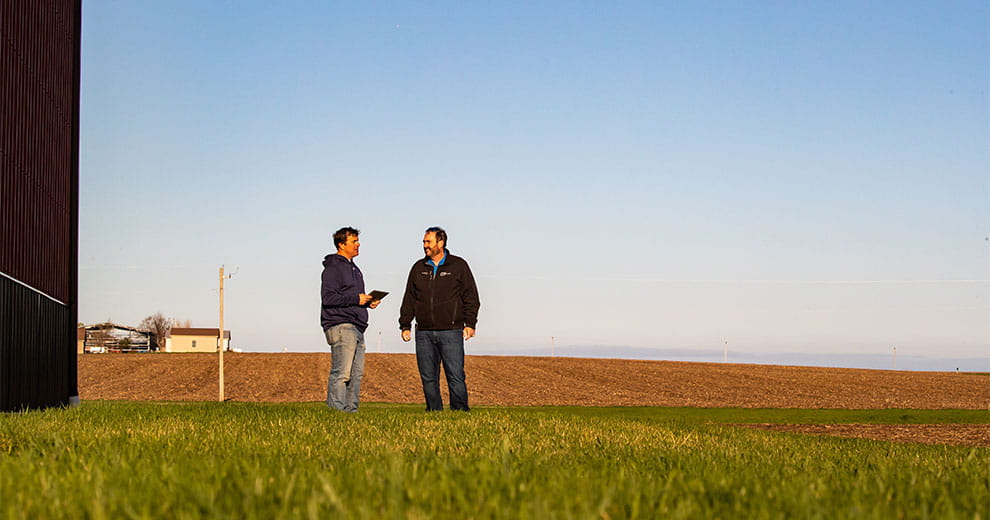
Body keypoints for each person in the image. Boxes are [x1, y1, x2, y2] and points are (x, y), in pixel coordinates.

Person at [399, 226, 480, 411]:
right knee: (428, 378)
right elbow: (409, 298)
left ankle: (459, 412)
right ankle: (434, 411)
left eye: (428, 242)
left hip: (451, 331)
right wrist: (405, 324)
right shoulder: (418, 268)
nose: (425, 246)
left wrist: (470, 323)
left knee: (455, 375)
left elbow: (471, 297)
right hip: (424, 332)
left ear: (440, 243)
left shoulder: (458, 265)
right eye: (424, 242)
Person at [320, 227, 381, 412]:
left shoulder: (355, 269)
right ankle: (336, 413)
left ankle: (350, 413)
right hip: (340, 325)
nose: (358, 244)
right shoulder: (334, 267)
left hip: (357, 325)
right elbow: (328, 298)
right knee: (342, 373)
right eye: (354, 242)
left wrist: (367, 302)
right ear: (341, 244)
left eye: (357, 241)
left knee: (356, 374)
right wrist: (356, 299)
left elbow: (350, 296)